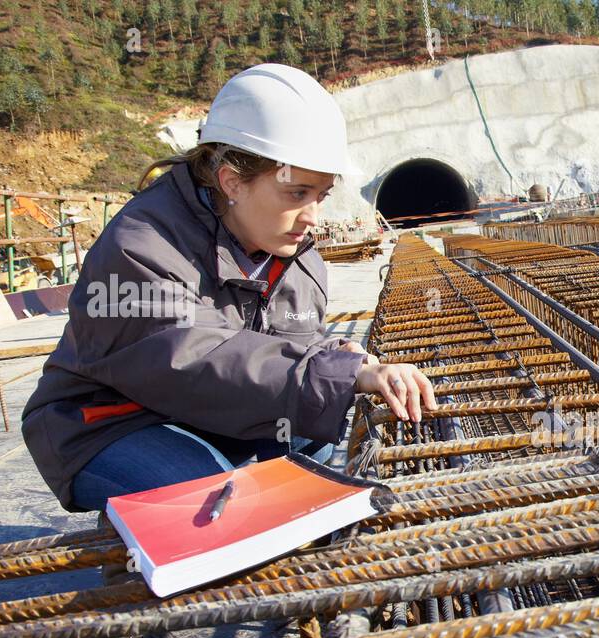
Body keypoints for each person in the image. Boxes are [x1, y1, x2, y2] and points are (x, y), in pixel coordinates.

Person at [22, 63, 435, 517]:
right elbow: (190, 358)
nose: (313, 215)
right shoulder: (140, 245)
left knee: (311, 423)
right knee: (216, 505)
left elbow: (290, 352)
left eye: (322, 194)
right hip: (111, 423)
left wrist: (343, 360)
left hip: (211, 410)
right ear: (232, 181)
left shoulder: (294, 255)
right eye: (297, 193)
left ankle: (301, 526)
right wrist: (330, 373)